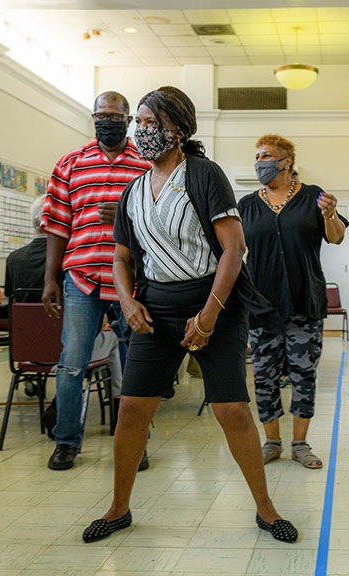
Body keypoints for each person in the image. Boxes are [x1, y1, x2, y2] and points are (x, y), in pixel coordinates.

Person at [85, 85, 297, 544]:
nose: (142, 131)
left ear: (177, 129)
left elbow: (233, 248)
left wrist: (208, 315)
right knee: (132, 412)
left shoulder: (203, 175)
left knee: (232, 411)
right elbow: (120, 257)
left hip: (214, 304)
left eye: (151, 123)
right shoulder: (134, 190)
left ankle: (266, 509)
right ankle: (119, 508)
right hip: (154, 310)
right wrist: (126, 300)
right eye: (138, 123)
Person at [40, 91, 152, 470]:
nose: (108, 120)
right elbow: (57, 226)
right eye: (101, 115)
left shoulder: (147, 166)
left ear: (128, 120)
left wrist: (124, 214)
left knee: (136, 365)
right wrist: (49, 279)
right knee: (71, 363)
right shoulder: (71, 164)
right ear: (93, 118)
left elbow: (160, 222)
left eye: (115, 115)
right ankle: (67, 441)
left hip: (132, 282)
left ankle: (136, 442)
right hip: (82, 277)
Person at [238, 134, 346, 469]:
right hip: (263, 307)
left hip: (304, 301)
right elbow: (233, 250)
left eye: (266, 155)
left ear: (286, 161)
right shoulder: (246, 205)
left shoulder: (313, 197)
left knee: (304, 375)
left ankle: (300, 443)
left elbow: (336, 236)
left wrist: (330, 214)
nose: (260, 162)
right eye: (256, 156)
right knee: (264, 377)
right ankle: (272, 442)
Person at [6, 196, 133, 453]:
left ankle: (66, 429)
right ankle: (120, 411)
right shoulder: (70, 263)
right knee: (117, 340)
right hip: (72, 341)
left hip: (27, 350)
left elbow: (10, 299)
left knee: (71, 360)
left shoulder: (13, 259)